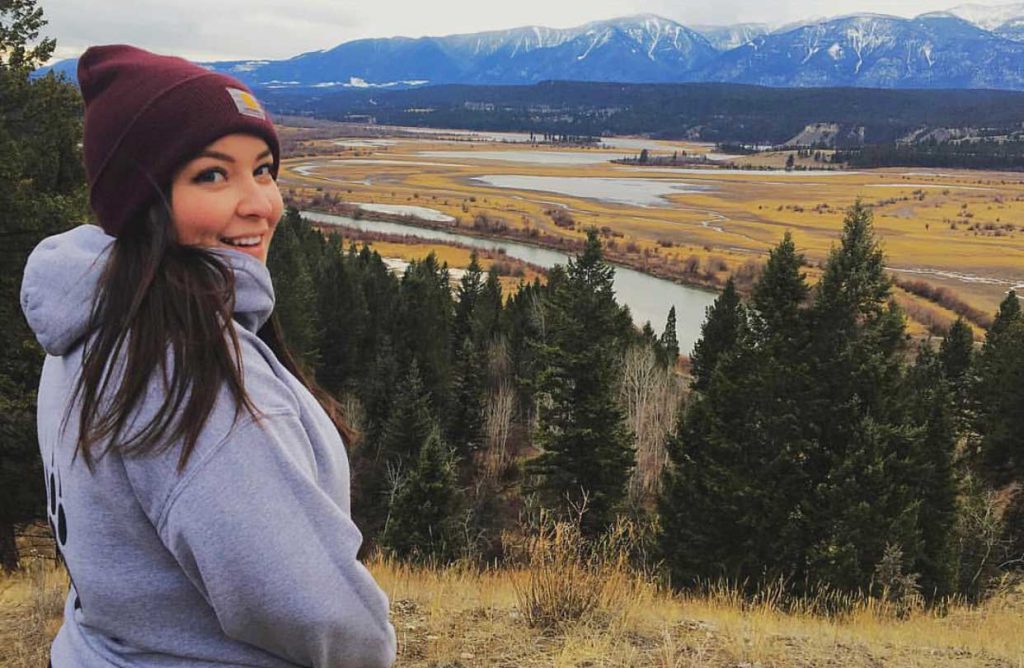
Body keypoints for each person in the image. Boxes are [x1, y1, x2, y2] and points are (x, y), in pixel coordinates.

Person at [19, 44, 397, 667]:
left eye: (264, 169)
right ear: (142, 201)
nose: (260, 203)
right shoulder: (190, 369)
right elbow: (310, 607)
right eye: (212, 174)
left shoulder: (91, 320)